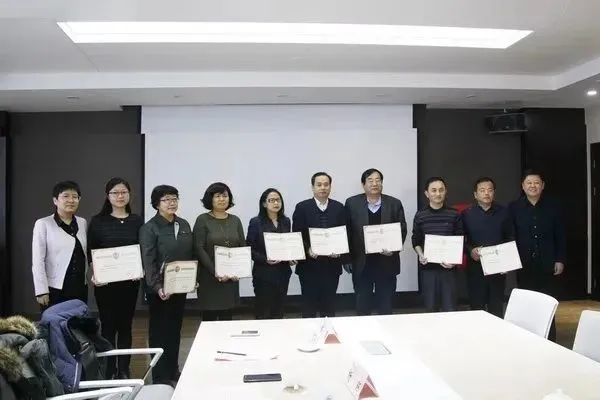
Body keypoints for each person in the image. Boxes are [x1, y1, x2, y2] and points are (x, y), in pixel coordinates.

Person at [87, 177, 143, 379]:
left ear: (129, 195)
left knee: (126, 326)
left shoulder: (137, 220)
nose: (120, 196)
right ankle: (109, 369)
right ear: (108, 196)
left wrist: (139, 269)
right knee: (108, 327)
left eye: (123, 192)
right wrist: (96, 272)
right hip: (106, 285)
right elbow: (91, 252)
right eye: (115, 193)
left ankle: (124, 369)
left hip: (129, 284)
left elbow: (142, 250)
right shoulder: (98, 221)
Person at [139, 185, 193, 386]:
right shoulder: (150, 228)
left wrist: (192, 278)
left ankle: (173, 369)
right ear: (156, 204)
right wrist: (157, 287)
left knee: (175, 329)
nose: (172, 203)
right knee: (159, 332)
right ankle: (160, 376)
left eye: (174, 199)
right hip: (160, 290)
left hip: (179, 286)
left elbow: (189, 254)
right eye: (166, 199)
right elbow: (148, 259)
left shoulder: (183, 224)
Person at [509, 169, 566, 341]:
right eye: (529, 183)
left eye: (536, 183)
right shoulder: (514, 208)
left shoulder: (554, 207)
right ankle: (529, 340)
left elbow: (560, 235)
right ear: (523, 186)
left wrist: (560, 259)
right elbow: (511, 235)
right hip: (524, 264)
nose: (533, 186)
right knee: (527, 303)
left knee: (548, 303)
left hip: (548, 264)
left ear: (542, 186)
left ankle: (550, 340)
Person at [345, 168, 407, 315]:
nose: (375, 184)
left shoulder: (394, 203)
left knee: (386, 306)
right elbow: (347, 232)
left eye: (378, 180)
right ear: (363, 184)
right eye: (370, 180)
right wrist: (346, 259)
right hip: (362, 263)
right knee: (362, 306)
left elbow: (402, 230)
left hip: (387, 262)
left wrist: (393, 249)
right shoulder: (352, 203)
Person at [292, 172, 347, 317]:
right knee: (308, 308)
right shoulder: (302, 207)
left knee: (329, 307)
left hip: (331, 266)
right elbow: (297, 235)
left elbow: (344, 233)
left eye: (326, 184)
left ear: (330, 187)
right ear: (312, 187)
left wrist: (339, 250)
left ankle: (328, 331)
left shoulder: (339, 207)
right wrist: (307, 249)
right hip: (309, 267)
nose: (323, 188)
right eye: (319, 184)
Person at [462, 177, 514, 318]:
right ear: (475, 194)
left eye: (490, 190)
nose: (486, 193)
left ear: (494, 193)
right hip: (476, 268)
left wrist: (507, 261)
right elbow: (461, 240)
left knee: (496, 308)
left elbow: (510, 237)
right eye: (482, 190)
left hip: (498, 268)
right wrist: (470, 251)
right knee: (476, 308)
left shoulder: (504, 212)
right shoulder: (467, 214)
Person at [193, 182, 245, 321]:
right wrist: (216, 271)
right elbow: (199, 248)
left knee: (227, 320)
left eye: (225, 195)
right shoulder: (202, 219)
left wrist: (240, 270)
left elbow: (242, 247)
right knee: (209, 320)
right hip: (209, 278)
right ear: (210, 199)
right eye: (217, 196)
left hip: (230, 278)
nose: (222, 199)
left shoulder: (235, 220)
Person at [32, 181, 88, 309]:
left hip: (79, 287)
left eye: (75, 197)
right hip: (55, 288)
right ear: (55, 200)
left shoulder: (82, 222)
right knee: (54, 320)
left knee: (78, 320)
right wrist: (41, 290)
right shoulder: (43, 224)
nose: (71, 200)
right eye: (65, 196)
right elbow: (38, 260)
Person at [412, 177, 463, 312]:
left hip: (449, 269)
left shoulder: (454, 214)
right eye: (433, 190)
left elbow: (461, 238)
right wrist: (420, 254)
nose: (438, 193)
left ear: (446, 192)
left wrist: (454, 261)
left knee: (450, 309)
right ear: (427, 193)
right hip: (428, 268)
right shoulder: (420, 215)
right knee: (430, 309)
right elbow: (416, 240)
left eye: (441, 190)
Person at [246, 188, 293, 319]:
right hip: (263, 274)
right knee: (263, 312)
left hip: (283, 273)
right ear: (264, 204)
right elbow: (249, 248)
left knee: (279, 311)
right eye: (271, 200)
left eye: (278, 200)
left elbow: (288, 244)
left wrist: (292, 257)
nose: (276, 203)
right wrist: (265, 259)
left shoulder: (286, 221)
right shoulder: (256, 222)